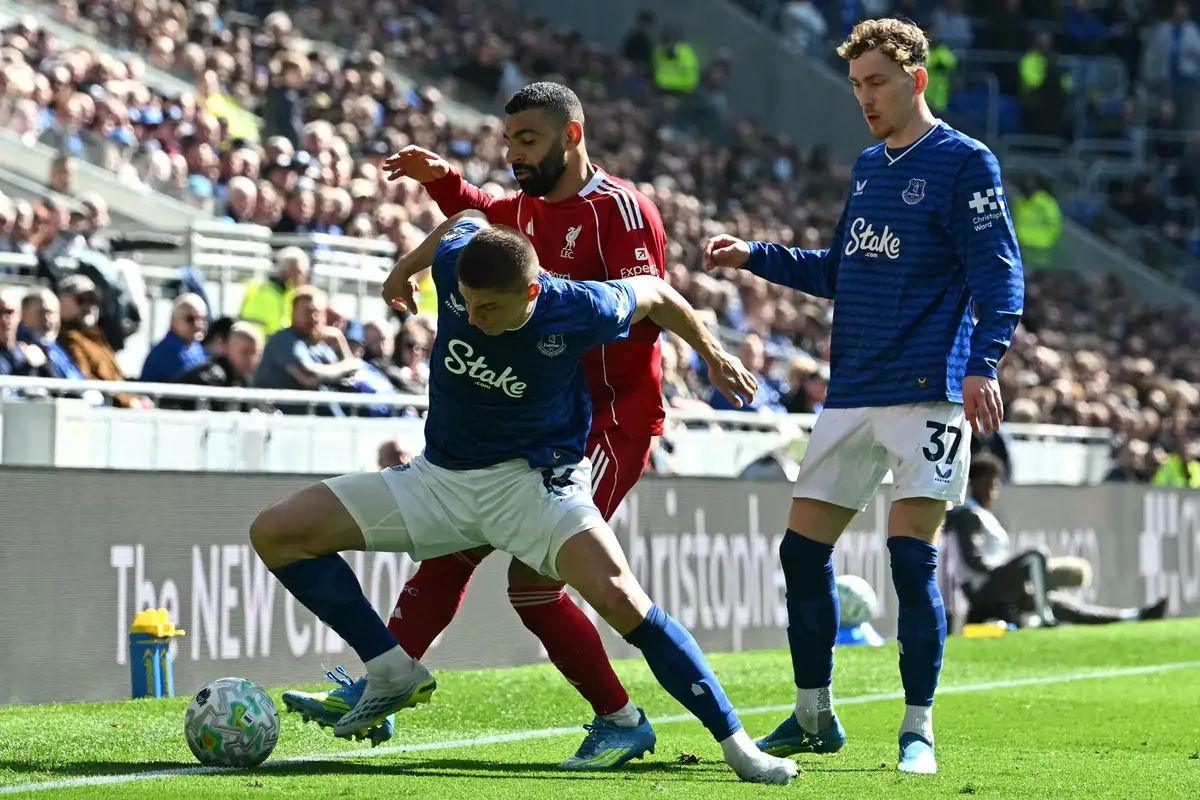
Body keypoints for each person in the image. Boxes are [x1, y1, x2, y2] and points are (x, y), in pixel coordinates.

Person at [252, 212, 798, 785]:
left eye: (489, 308)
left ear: (532, 293)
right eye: (466, 304)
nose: (473, 318)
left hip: (534, 487)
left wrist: (714, 354)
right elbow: (465, 219)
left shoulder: (579, 306)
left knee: (619, 595)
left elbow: (657, 294)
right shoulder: (457, 265)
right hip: (437, 481)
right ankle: (390, 669)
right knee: (275, 532)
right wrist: (404, 269)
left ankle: (740, 748)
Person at [704, 18, 1025, 775]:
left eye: (877, 82)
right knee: (800, 551)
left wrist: (984, 363)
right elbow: (839, 270)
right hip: (853, 389)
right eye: (855, 85)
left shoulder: (965, 163)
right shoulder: (869, 166)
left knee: (910, 561)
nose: (865, 98)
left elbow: (1000, 274)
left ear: (917, 79)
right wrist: (755, 256)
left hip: (928, 393)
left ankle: (918, 729)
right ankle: (813, 713)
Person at [374, 82, 671, 768]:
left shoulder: (622, 211)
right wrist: (439, 185)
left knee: (534, 587)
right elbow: (476, 220)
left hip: (608, 424)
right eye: (508, 141)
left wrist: (556, 314)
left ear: (573, 135)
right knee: (451, 546)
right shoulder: (525, 208)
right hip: (542, 422)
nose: (513, 154)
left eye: (528, 140)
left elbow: (648, 308)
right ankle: (381, 686)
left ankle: (627, 719)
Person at [947, 454, 1168, 627]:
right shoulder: (970, 515)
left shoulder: (982, 515)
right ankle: (1043, 610)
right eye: (991, 483)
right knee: (1035, 554)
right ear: (975, 483)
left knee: (1060, 604)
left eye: (996, 484)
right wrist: (1010, 576)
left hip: (994, 587)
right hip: (983, 589)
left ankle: (1131, 616)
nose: (994, 490)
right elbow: (973, 560)